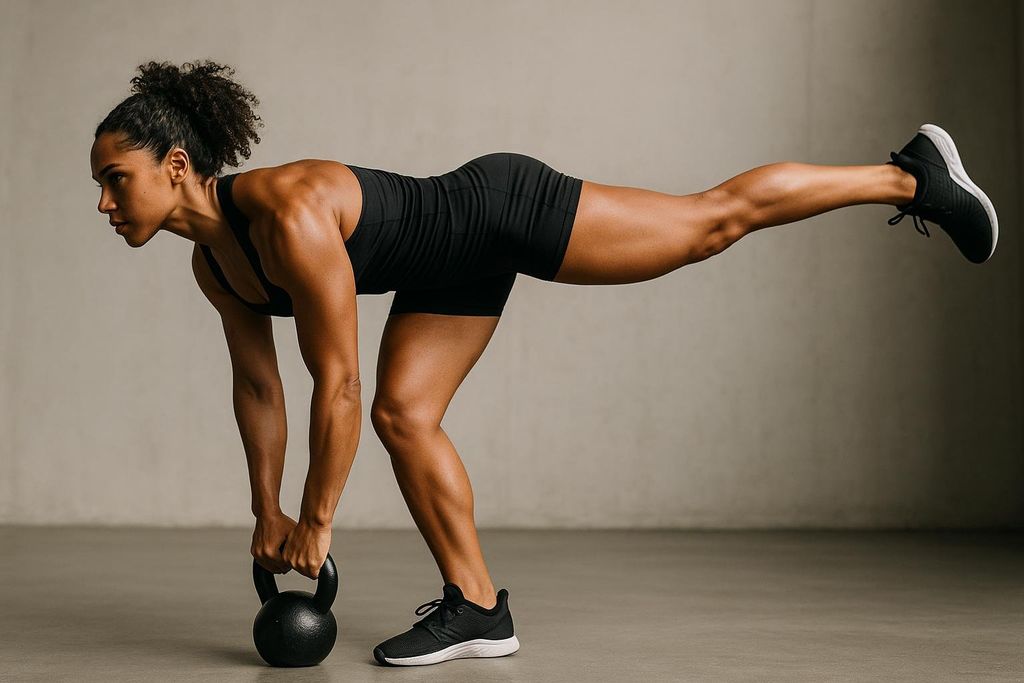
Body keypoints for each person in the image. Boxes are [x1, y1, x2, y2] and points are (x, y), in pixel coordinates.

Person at [89, 60, 997, 668]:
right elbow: (259, 388)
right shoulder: (216, 266)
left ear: (176, 165)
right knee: (407, 417)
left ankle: (912, 177)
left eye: (115, 177)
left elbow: (336, 379)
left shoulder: (285, 212)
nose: (103, 200)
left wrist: (317, 522)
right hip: (444, 268)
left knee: (704, 224)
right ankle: (479, 605)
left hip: (499, 207)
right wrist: (268, 512)